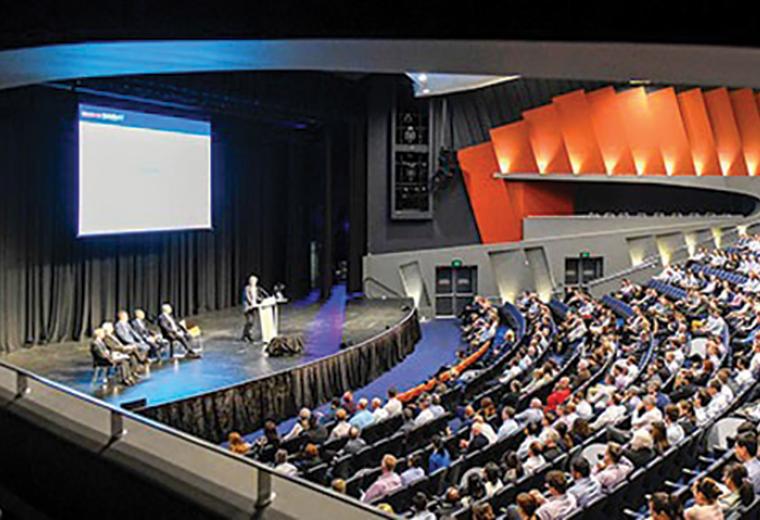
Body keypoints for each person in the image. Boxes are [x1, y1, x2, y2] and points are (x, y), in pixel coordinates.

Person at [242, 274, 267, 343]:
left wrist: (262, 300)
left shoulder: (257, 288)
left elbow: (258, 297)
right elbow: (247, 297)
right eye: (252, 281)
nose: (253, 282)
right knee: (249, 321)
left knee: (252, 322)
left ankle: (246, 335)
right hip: (248, 307)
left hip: (254, 307)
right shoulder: (247, 288)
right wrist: (251, 303)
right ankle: (246, 335)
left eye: (255, 281)